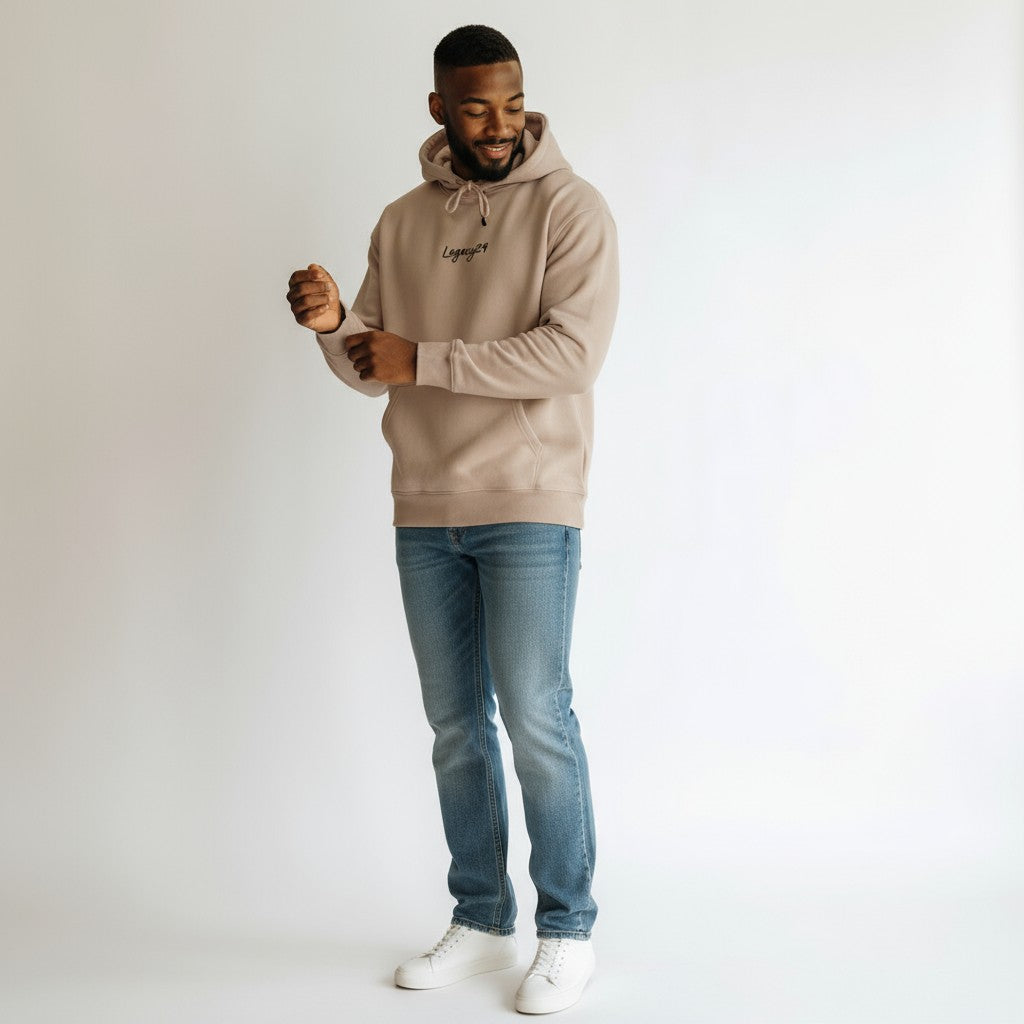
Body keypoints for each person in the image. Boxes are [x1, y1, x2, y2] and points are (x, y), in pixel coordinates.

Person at [286, 24, 618, 1016]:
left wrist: (418, 359)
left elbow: (569, 355)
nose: (499, 124)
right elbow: (368, 361)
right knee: (453, 726)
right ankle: (481, 916)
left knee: (537, 718)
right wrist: (331, 325)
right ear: (439, 108)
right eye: (476, 107)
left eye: (512, 104)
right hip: (424, 505)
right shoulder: (399, 219)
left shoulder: (570, 207)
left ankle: (565, 930)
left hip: (528, 501)